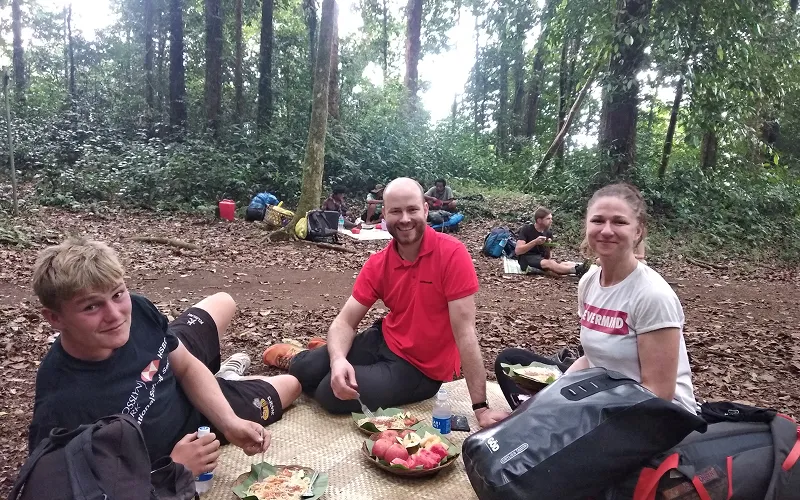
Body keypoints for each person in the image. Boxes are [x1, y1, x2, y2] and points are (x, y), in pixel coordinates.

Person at [27, 238, 302, 477]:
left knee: (224, 301)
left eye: (117, 294)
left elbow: (184, 367)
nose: (115, 314)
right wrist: (169, 470)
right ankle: (227, 379)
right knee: (291, 385)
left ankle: (223, 379)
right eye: (91, 306)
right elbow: (77, 487)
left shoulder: (138, 310)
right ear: (55, 318)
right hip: (191, 430)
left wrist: (230, 423)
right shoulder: (60, 405)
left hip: (170, 367)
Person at [263, 177, 509, 428]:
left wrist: (481, 408)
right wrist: (338, 360)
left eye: (412, 209)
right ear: (384, 214)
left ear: (425, 210)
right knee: (304, 371)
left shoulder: (452, 255)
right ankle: (314, 355)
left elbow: (465, 333)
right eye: (396, 211)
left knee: (330, 392)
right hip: (383, 339)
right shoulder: (379, 263)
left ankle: (329, 356)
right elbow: (345, 322)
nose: (404, 219)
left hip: (420, 370)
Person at [495, 183, 697, 415]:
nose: (607, 230)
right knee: (510, 361)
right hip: (602, 390)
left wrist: (580, 412)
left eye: (619, 222)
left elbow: (658, 393)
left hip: (653, 414)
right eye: (598, 221)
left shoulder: (652, 295)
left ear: (638, 231)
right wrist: (544, 401)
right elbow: (590, 360)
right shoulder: (589, 282)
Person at [515, 207, 588, 276]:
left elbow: (548, 257)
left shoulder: (548, 233)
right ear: (539, 220)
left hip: (541, 259)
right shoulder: (527, 229)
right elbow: (518, 251)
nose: (551, 221)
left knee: (564, 264)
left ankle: (584, 268)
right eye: (548, 219)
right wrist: (535, 242)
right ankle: (577, 270)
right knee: (550, 263)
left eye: (551, 218)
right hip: (526, 259)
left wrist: (548, 247)